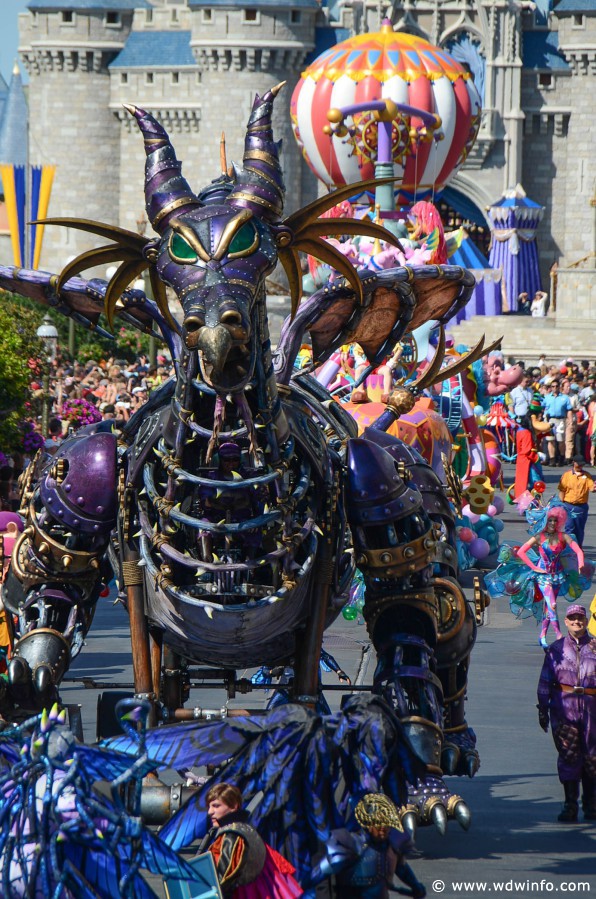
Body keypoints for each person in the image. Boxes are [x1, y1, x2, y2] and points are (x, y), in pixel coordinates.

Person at [485, 506, 589, 648]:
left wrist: (581, 563)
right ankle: (559, 635)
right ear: (545, 522)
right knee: (552, 604)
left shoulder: (563, 536)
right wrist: (534, 567)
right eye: (549, 520)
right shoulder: (539, 537)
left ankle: (543, 636)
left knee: (548, 607)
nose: (552, 523)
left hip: (558, 576)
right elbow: (521, 552)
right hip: (542, 576)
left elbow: (578, 550)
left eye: (554, 520)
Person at [537, 604, 596, 823]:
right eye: (572, 618)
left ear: (585, 620)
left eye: (580, 618)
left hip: (592, 709)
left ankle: (591, 805)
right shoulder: (556, 649)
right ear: (566, 621)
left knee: (593, 757)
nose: (576, 622)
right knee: (569, 755)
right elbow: (545, 681)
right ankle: (570, 805)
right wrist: (542, 708)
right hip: (564, 709)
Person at [303, 793, 426, 898]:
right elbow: (320, 875)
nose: (383, 829)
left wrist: (415, 885)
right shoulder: (351, 844)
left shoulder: (393, 845)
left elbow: (402, 868)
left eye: (386, 824)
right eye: (378, 824)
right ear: (368, 823)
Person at [197, 782, 302, 898]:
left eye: (216, 806)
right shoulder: (245, 829)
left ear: (234, 806)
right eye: (209, 806)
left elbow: (221, 877)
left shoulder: (232, 835)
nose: (210, 812)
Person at [558, 454, 596, 547]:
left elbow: (592, 488)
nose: (580, 466)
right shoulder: (567, 475)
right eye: (578, 464)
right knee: (569, 528)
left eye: (582, 464)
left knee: (579, 529)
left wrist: (595, 487)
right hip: (568, 505)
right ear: (573, 463)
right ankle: (568, 549)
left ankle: (578, 549)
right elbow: (562, 490)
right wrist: (561, 504)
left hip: (581, 507)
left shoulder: (587, 476)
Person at [543, 381, 572, 466]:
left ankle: (561, 458)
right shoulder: (547, 397)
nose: (555, 388)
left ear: (559, 387)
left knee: (560, 440)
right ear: (551, 387)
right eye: (553, 386)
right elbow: (542, 407)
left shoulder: (565, 398)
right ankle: (552, 459)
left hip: (560, 420)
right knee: (550, 440)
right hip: (550, 420)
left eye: (556, 386)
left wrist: (570, 420)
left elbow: (569, 410)